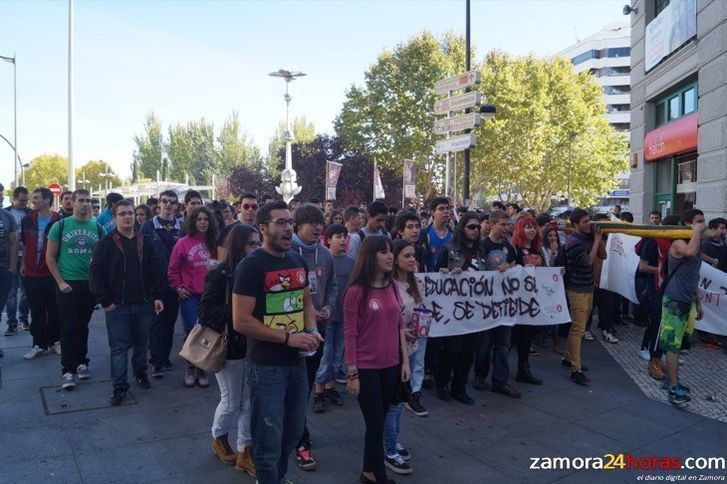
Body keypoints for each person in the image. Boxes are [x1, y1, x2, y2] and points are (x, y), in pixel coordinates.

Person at [232, 200, 322, 484]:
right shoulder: (250, 267)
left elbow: (307, 301)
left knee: (292, 433)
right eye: (280, 223)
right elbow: (241, 321)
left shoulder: (297, 260)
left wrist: (312, 329)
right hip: (267, 367)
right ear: (263, 228)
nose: (288, 228)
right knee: (268, 440)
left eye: (289, 223)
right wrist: (288, 338)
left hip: (297, 364)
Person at [344, 235, 410, 484]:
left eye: (390, 251)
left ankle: (368, 472)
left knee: (380, 421)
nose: (390, 256)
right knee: (375, 426)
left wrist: (404, 362)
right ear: (370, 256)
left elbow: (399, 326)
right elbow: (350, 334)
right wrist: (353, 373)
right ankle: (379, 478)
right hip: (366, 368)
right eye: (383, 252)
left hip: (391, 366)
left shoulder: (393, 286)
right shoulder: (356, 292)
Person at [89, 200, 165, 405]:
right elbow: (96, 273)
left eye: (130, 213)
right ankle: (120, 385)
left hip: (143, 303)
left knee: (142, 345)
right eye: (122, 214)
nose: (127, 217)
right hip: (117, 305)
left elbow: (156, 270)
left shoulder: (145, 241)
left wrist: (157, 296)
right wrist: (105, 301)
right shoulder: (107, 243)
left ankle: (140, 374)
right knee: (119, 347)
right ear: (114, 218)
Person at [200, 224, 259, 477]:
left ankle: (245, 452)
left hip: (255, 346)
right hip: (229, 347)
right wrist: (239, 311)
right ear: (238, 246)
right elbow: (205, 313)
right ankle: (219, 437)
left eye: (258, 243)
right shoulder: (220, 273)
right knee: (232, 401)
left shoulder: (258, 270)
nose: (256, 248)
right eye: (251, 244)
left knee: (249, 402)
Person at [289, 204, 338, 471]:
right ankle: (300, 439)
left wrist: (329, 307)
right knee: (293, 389)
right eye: (311, 223)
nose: (318, 227)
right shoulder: (287, 253)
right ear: (298, 227)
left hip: (317, 331)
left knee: (305, 386)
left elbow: (331, 286)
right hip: (288, 332)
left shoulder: (325, 255)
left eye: (320, 222)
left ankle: (298, 432)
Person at [46, 189, 106, 389]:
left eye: (89, 200)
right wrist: (60, 282)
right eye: (82, 200)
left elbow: (103, 259)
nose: (86, 204)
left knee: (82, 325)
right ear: (72, 202)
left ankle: (82, 362)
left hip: (88, 285)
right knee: (68, 327)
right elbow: (50, 257)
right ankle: (68, 370)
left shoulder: (98, 228)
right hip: (67, 283)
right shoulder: (60, 226)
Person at [433, 212, 485, 404]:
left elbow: (487, 278)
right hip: (453, 310)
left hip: (474, 310)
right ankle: (442, 383)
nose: (476, 231)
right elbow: (436, 276)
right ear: (462, 228)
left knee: (468, 351)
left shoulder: (481, 251)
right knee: (452, 349)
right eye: (471, 227)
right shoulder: (449, 249)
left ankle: (459, 388)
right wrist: (445, 273)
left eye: (478, 227)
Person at [383, 239, 424, 476]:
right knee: (393, 404)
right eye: (406, 255)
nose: (412, 259)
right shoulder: (387, 285)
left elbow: (419, 311)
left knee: (399, 403)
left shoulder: (416, 282)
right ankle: (389, 450)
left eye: (414, 255)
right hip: (393, 352)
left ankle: (393, 440)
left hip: (410, 349)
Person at [168, 205, 219, 388]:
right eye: (199, 219)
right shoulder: (182, 243)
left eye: (206, 219)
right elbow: (173, 269)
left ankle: (201, 367)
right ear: (193, 221)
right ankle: (190, 366)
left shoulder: (215, 242)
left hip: (210, 296)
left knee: (207, 332)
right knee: (191, 329)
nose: (203, 222)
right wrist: (178, 287)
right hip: (190, 295)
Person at [659, 209, 706, 406]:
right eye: (699, 221)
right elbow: (688, 253)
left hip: (687, 300)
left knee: (682, 345)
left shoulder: (695, 240)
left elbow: (693, 274)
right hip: (674, 300)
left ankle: (669, 378)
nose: (703, 224)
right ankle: (673, 386)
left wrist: (698, 302)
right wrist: (697, 231)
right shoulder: (679, 242)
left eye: (704, 221)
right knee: (673, 345)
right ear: (688, 223)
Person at [474, 209, 521, 398]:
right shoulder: (482, 246)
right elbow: (477, 271)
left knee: (503, 344)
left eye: (508, 224)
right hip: (486, 303)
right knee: (484, 343)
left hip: (504, 303)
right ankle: (480, 374)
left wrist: (511, 268)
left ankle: (500, 380)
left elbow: (515, 266)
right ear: (492, 224)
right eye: (503, 224)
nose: (506, 228)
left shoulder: (509, 248)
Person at [141, 189, 183, 377]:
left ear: (177, 205)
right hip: (155, 282)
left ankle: (164, 357)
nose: (168, 205)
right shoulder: (148, 226)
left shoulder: (181, 226)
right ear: (159, 203)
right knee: (156, 321)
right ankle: (156, 360)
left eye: (172, 202)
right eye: (164, 201)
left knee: (170, 321)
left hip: (174, 282)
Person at [562, 208, 605, 386]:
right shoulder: (572, 241)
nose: (589, 224)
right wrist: (596, 240)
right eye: (585, 222)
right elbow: (588, 261)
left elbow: (603, 255)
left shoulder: (589, 238)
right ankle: (575, 369)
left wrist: (598, 239)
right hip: (577, 289)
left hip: (587, 287)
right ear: (575, 225)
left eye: (589, 220)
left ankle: (568, 358)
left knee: (579, 326)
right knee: (578, 329)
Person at [313, 223, 354, 406]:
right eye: (338, 236)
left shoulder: (350, 262)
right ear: (328, 240)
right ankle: (318, 391)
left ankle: (330, 387)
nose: (343, 240)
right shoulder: (323, 259)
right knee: (326, 353)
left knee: (338, 354)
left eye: (345, 236)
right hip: (326, 316)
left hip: (344, 316)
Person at [20, 188, 62, 359]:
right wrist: (22, 264)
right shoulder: (26, 220)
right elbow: (24, 245)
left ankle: (55, 341)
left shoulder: (59, 221)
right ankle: (39, 344)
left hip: (52, 273)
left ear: (47, 200)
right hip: (31, 273)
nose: (33, 200)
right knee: (36, 310)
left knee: (55, 310)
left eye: (36, 198)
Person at [509, 216, 544, 385]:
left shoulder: (538, 249)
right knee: (511, 337)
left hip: (531, 301)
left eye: (534, 227)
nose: (531, 230)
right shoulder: (515, 248)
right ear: (520, 229)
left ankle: (523, 369)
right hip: (516, 301)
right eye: (527, 227)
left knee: (526, 336)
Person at [3, 186, 31, 334]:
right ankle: (12, 322)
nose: (24, 203)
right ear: (14, 199)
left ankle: (23, 318)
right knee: (11, 292)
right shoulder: (5, 213)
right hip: (10, 257)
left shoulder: (31, 214)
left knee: (27, 292)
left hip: (26, 257)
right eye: (21, 201)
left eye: (26, 200)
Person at [0, 188, 19, 339]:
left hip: (4, 269)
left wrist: (12, 268)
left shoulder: (7, 217)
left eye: (1, 194)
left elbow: (14, 242)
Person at [217, 193, 258, 260]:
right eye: (246, 206)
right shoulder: (228, 231)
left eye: (254, 207)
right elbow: (222, 260)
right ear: (239, 207)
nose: (250, 209)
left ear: (257, 208)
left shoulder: (262, 230)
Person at [420, 197, 452, 273]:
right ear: (433, 212)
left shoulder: (453, 235)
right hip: (428, 280)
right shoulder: (424, 234)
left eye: (447, 208)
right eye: (441, 209)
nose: (446, 211)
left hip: (449, 281)